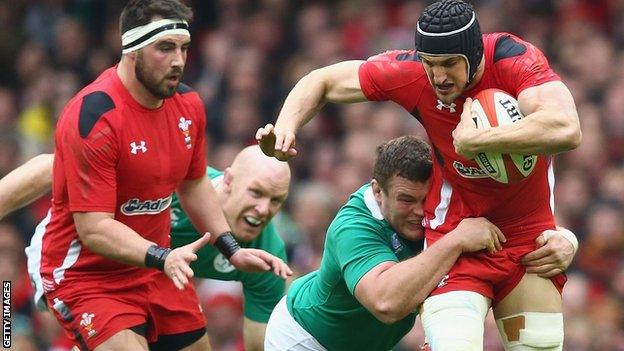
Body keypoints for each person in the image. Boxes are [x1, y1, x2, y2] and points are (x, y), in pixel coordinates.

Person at [256, 1, 581, 349]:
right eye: (430, 64)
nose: (439, 77)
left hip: (528, 240)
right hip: (456, 232)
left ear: (474, 54)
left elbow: (567, 129)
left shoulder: (514, 59)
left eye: (449, 64)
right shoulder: (410, 73)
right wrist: (287, 126)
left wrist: (479, 140)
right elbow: (323, 80)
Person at [28, 1, 290, 350]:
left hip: (154, 267)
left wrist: (230, 248)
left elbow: (194, 183)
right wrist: (163, 257)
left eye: (183, 48)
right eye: (165, 48)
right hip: (88, 274)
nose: (179, 60)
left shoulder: (189, 106)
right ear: (132, 50)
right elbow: (93, 229)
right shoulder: (94, 116)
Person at [263, 136, 578, 351]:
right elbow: (386, 303)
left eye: (424, 198)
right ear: (377, 192)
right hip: (304, 338)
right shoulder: (353, 227)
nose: (417, 211)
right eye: (405, 200)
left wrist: (566, 240)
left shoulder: (442, 205)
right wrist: (454, 241)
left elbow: (510, 230)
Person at [0, 146, 290, 351]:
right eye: (256, 192)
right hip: (83, 258)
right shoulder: (173, 182)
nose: (263, 209)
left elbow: (261, 343)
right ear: (227, 180)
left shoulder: (267, 256)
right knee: (11, 338)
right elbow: (56, 166)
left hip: (155, 273)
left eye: (276, 200)